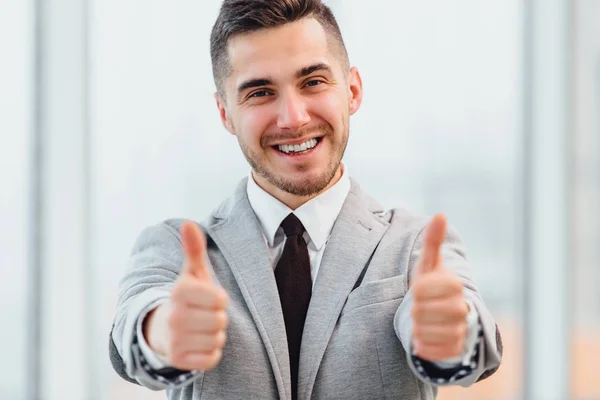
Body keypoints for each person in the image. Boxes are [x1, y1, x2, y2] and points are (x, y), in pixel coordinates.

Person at [108, 0, 503, 399]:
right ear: (225, 113)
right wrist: (161, 332)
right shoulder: (175, 249)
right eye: (260, 92)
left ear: (352, 90)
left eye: (313, 82)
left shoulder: (416, 244)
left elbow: (472, 338)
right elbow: (135, 324)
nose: (293, 118)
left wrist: (453, 334)